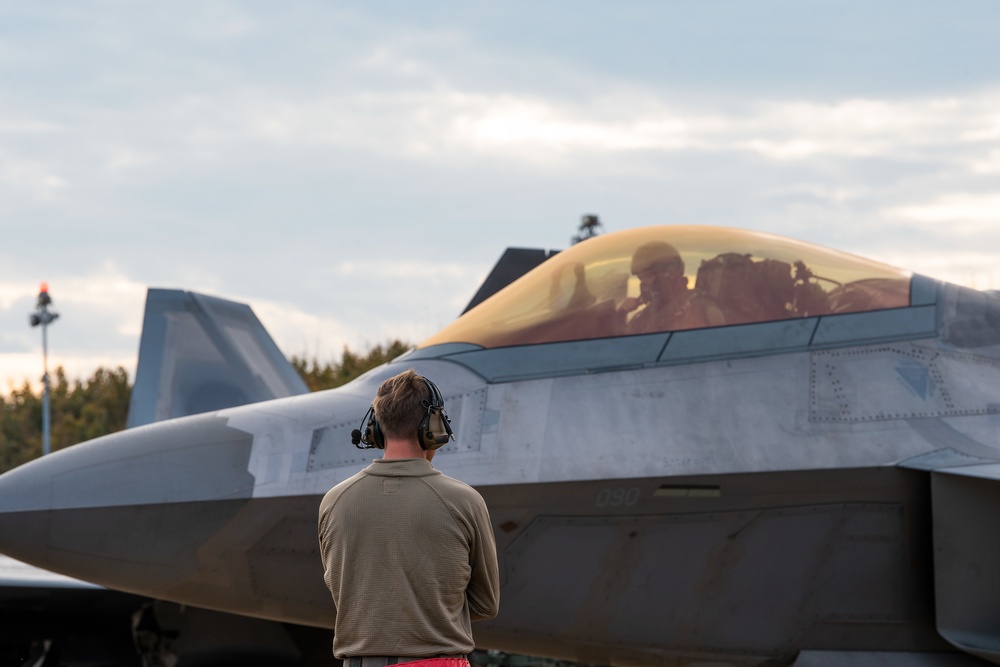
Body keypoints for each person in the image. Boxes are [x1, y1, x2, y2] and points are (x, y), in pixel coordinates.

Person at [318, 369, 500, 667]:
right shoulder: (465, 500)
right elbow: (485, 603)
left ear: (375, 428)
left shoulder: (334, 501)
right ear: (434, 426)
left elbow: (344, 589)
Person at [617, 241, 725, 334]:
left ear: (677, 270)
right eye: (642, 277)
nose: (647, 283)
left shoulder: (703, 310)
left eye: (649, 275)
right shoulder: (645, 317)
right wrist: (621, 314)